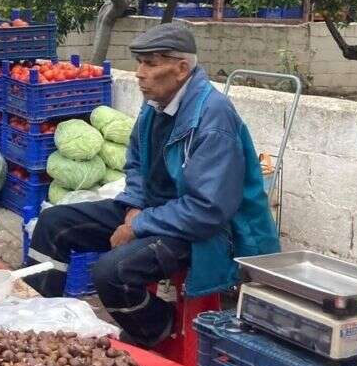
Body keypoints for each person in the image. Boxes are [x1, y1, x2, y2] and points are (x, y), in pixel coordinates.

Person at [25, 22, 280, 347]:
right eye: (140, 62)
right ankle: (35, 322)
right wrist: (133, 207)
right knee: (53, 223)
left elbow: (208, 210)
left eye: (151, 63)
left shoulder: (213, 118)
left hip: (205, 231)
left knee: (111, 273)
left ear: (182, 68)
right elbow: (136, 164)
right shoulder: (156, 105)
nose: (139, 73)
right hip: (157, 212)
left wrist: (140, 223)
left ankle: (162, 331)